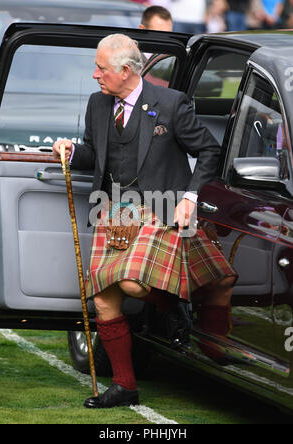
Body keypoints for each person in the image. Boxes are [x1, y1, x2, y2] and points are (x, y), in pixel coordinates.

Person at [53, 34, 237, 409]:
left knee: (134, 285)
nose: (95, 75)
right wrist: (72, 151)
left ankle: (175, 310)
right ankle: (124, 386)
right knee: (104, 299)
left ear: (125, 70)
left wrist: (190, 197)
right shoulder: (98, 104)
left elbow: (208, 151)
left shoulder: (171, 104)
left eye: (101, 68)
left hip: (162, 206)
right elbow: (95, 153)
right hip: (114, 211)